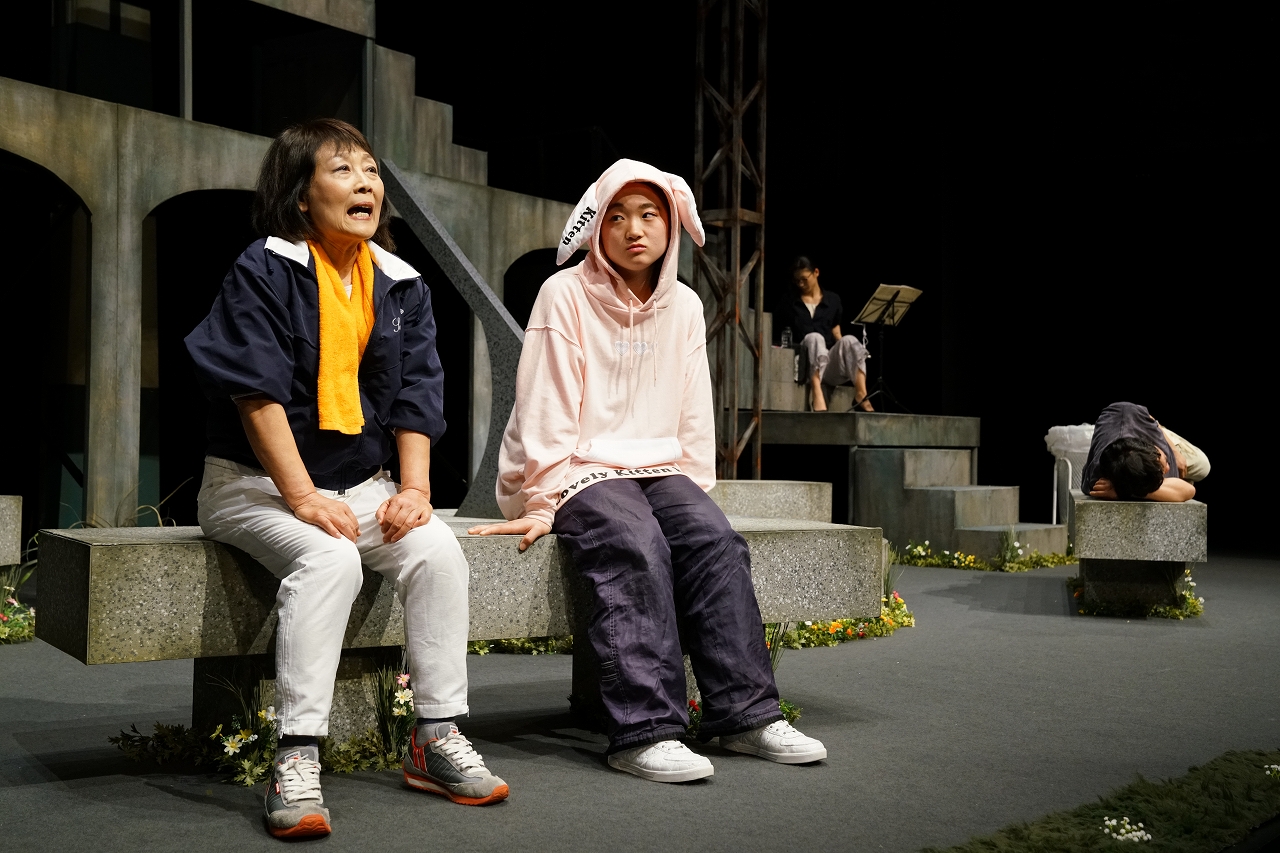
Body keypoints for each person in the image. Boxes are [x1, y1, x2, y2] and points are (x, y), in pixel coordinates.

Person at [186, 119, 507, 839]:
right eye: (342, 170)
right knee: (330, 559)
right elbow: (255, 394)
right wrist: (301, 496)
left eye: (371, 171)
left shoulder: (399, 282)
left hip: (360, 484)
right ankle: (296, 754)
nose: (365, 183)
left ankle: (435, 736)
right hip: (253, 485)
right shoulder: (264, 268)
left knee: (437, 549)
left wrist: (415, 491)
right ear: (301, 195)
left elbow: (418, 394)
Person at [468, 159, 827, 783]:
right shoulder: (564, 294)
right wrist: (541, 499)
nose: (633, 230)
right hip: (577, 465)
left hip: (658, 466)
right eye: (616, 216)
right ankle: (644, 730)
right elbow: (544, 403)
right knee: (633, 541)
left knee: (714, 540)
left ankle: (745, 716)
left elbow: (692, 406)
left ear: (672, 224)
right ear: (595, 226)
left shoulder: (683, 304)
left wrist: (696, 496)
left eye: (648, 215)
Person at [789, 257, 872, 412]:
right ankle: (817, 392)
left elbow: (836, 330)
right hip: (804, 363)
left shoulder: (833, 300)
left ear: (816, 272)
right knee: (815, 337)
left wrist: (846, 351)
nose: (800, 284)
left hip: (826, 362)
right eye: (797, 281)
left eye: (804, 279)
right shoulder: (791, 301)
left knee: (849, 340)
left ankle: (861, 393)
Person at [1081, 402, 1210, 502]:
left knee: (1203, 466)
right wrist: (1128, 491)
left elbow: (1150, 418)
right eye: (1161, 470)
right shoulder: (1099, 480)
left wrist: (1175, 453)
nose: (1168, 468)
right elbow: (1187, 490)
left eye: (1164, 461)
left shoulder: (1128, 413)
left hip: (1152, 427)